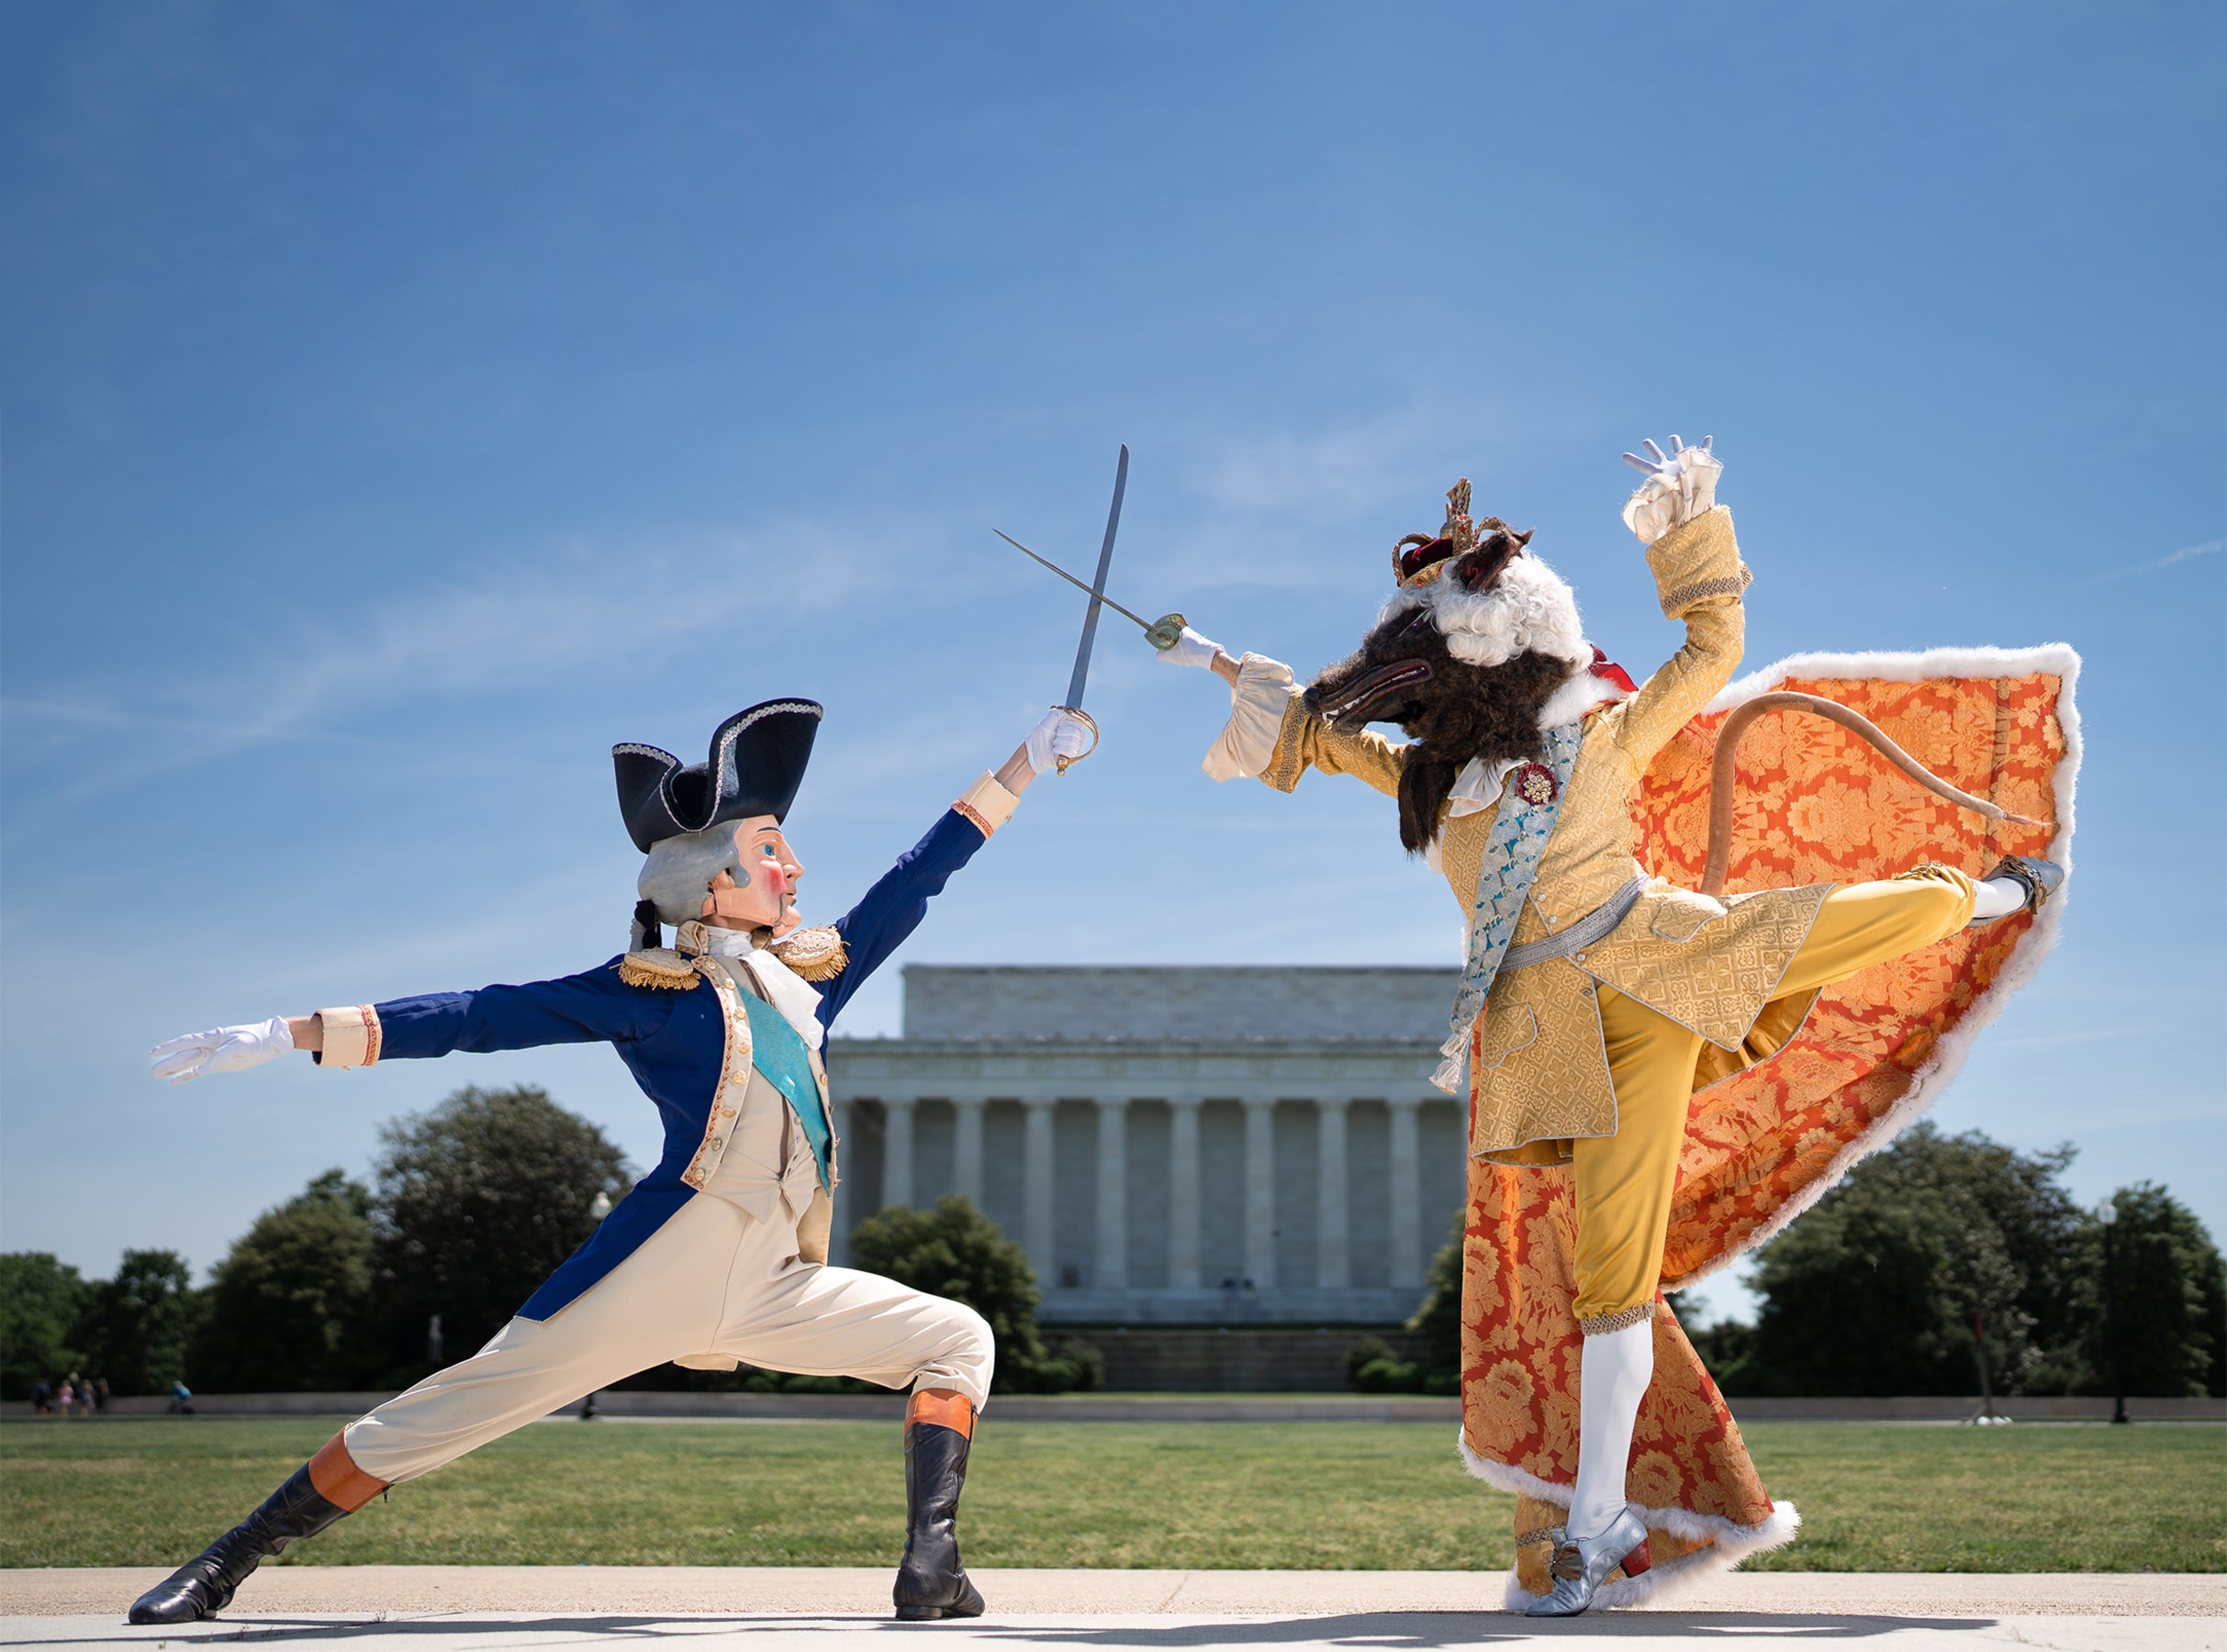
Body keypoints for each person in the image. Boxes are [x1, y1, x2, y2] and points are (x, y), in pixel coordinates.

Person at [1154, 439, 2070, 1613]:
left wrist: (1684, 533)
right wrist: (1209, 657)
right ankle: (1594, 1521)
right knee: (1610, 1278)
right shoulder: (1428, 783)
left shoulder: (1596, 735)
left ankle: (1987, 894)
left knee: (1833, 921)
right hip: (1555, 1039)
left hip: (1657, 955)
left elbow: (1708, 651)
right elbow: (1317, 731)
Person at [129, 698, 1091, 1626]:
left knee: (957, 1339)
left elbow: (917, 877)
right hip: (656, 1268)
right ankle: (223, 1563)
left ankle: (931, 1563)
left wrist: (1026, 761)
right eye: (771, 850)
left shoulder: (812, 979)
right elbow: (480, 1016)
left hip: (772, 1281)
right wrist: (292, 1033)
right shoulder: (647, 991)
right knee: (439, 1416)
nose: (794, 866)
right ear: (712, 881)